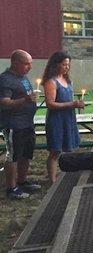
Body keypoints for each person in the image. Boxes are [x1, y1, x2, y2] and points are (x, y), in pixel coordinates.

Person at [0, 49, 41, 199]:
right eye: (26, 64)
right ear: (15, 63)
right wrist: (26, 100)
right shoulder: (5, 80)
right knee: (13, 156)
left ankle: (22, 181)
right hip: (13, 125)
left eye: (30, 64)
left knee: (26, 154)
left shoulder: (23, 77)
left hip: (27, 123)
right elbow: (4, 102)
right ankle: (11, 188)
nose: (29, 67)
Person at [42, 51, 85, 183]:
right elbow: (50, 103)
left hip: (69, 119)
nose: (67, 67)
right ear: (56, 65)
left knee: (72, 147)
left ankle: (72, 175)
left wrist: (78, 104)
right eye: (64, 64)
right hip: (57, 120)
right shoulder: (51, 81)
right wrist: (72, 104)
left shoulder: (67, 80)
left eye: (68, 65)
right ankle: (53, 180)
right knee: (55, 151)